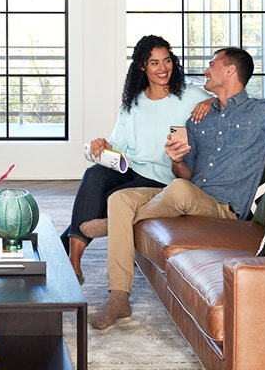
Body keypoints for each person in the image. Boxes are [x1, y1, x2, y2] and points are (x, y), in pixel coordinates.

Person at [92, 46, 265, 330]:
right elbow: (185, 173)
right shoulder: (200, 118)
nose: (205, 69)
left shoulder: (261, 112)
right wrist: (176, 159)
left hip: (222, 208)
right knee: (121, 198)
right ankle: (119, 295)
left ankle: (117, 226)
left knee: (178, 190)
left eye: (212, 64)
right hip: (188, 194)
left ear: (229, 71)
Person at [61, 35, 213, 284]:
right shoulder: (133, 103)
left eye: (166, 61)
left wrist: (209, 101)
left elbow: (228, 100)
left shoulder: (190, 95)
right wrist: (104, 146)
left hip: (165, 177)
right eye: (154, 63)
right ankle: (74, 263)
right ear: (142, 67)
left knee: (111, 197)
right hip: (131, 168)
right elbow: (119, 146)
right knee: (94, 175)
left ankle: (68, 245)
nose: (163, 68)